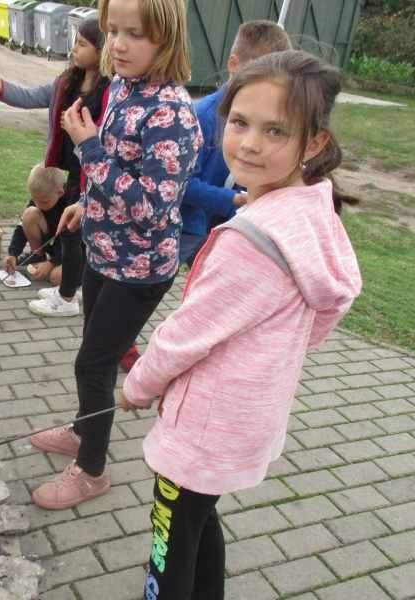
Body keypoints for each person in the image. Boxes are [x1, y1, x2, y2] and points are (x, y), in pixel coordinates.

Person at [120, 50, 362, 599]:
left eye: (275, 131)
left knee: (170, 541)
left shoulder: (250, 242)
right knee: (198, 520)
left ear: (314, 143)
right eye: (240, 122)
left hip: (205, 430)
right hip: (246, 420)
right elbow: (334, 301)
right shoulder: (311, 210)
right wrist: (280, 354)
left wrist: (137, 387)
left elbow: (184, 336)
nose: (249, 143)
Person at [28, 0, 202, 510]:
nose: (119, 45)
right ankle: (86, 430)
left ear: (166, 38)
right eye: (113, 31)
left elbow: (151, 207)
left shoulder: (171, 112)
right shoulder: (125, 87)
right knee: (94, 355)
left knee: (94, 362)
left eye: (135, 34)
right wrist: (86, 203)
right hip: (104, 253)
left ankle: (92, 471)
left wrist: (88, 147)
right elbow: (122, 169)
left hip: (140, 268)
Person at [0, 16, 109, 318]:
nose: (74, 49)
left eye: (82, 44)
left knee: (75, 236)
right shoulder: (66, 82)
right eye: (75, 42)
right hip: (71, 173)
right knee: (71, 234)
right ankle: (67, 290)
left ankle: (68, 297)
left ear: (101, 50)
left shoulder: (111, 90)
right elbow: (30, 96)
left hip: (93, 174)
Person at [179, 20, 292, 267]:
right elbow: (182, 184)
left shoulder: (264, 121)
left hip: (231, 221)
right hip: (188, 226)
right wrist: (232, 199)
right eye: (258, 76)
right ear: (233, 64)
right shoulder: (202, 116)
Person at [3, 164, 74, 307]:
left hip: (74, 252)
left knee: (55, 277)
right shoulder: (40, 198)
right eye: (34, 199)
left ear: (60, 193)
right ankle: (38, 255)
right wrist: (13, 253)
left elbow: (70, 241)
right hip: (53, 244)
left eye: (43, 202)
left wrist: (52, 262)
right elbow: (21, 229)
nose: (38, 204)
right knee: (29, 213)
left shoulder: (70, 204)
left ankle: (83, 277)